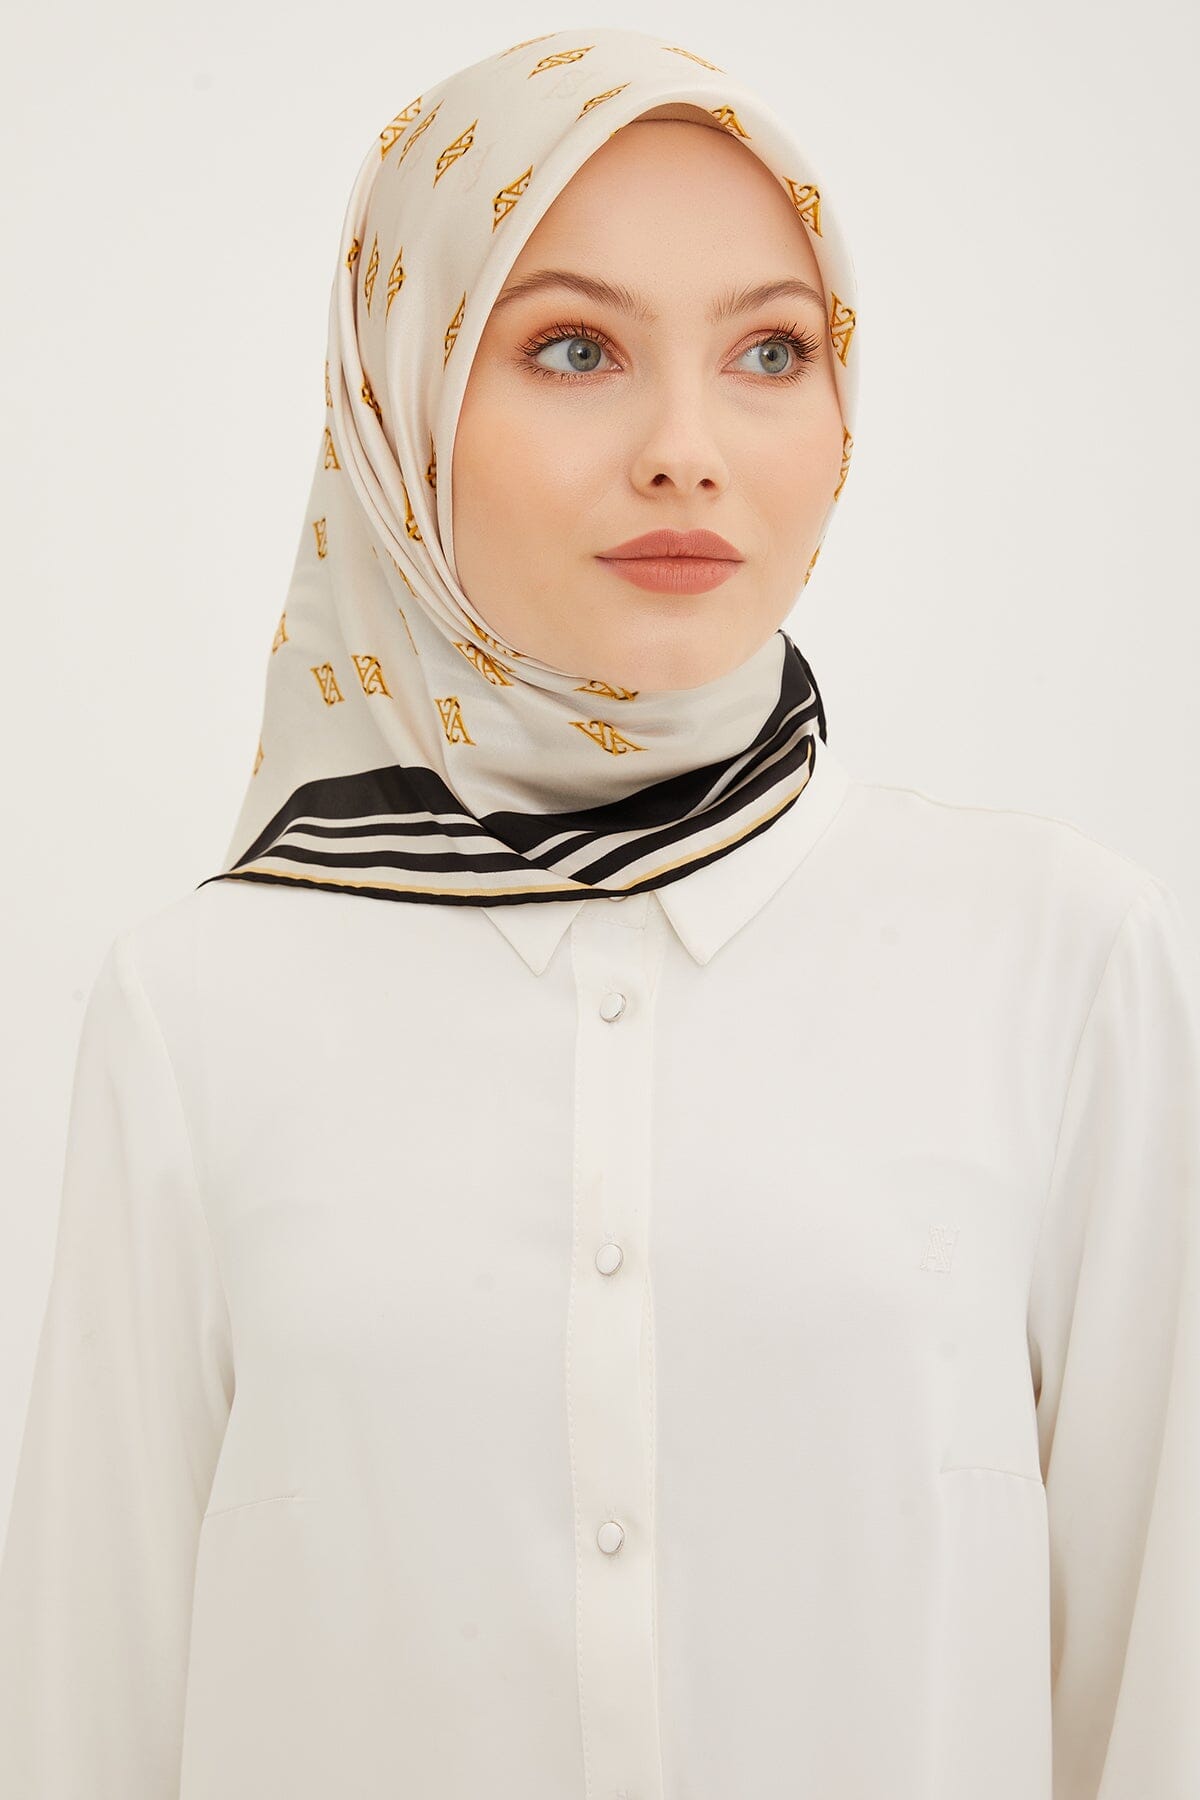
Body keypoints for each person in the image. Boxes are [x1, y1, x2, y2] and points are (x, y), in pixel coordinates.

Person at [0, 23, 1197, 1800]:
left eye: (771, 351)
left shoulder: (1060, 959)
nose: (687, 451)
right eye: (574, 348)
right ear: (401, 403)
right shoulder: (199, 1006)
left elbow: (1158, 1686)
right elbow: (91, 1699)